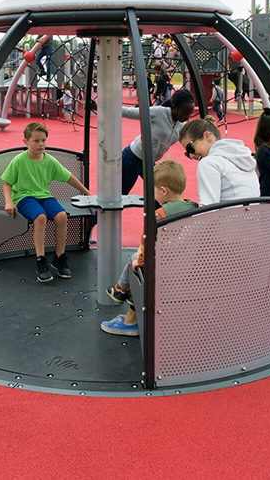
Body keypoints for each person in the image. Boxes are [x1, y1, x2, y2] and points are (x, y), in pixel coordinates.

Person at [101, 159, 198, 336]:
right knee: (139, 264)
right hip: (187, 267)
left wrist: (141, 260)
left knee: (135, 263)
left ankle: (122, 296)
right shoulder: (193, 208)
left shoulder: (159, 214)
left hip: (164, 268)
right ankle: (121, 291)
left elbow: (147, 242)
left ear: (163, 190)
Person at [1, 122, 91, 283]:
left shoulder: (49, 161)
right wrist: (8, 201)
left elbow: (69, 178)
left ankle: (59, 256)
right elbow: (7, 183)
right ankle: (41, 260)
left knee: (62, 216)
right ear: (26, 142)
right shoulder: (19, 160)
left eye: (43, 140)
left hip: (44, 195)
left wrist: (87, 192)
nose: (41, 144)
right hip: (23, 197)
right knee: (40, 217)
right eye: (36, 141)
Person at [120, 88, 195, 196]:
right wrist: (102, 107)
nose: (187, 117)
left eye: (190, 114)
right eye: (184, 113)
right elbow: (131, 112)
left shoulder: (180, 124)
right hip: (133, 158)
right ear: (174, 107)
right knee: (120, 195)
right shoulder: (159, 112)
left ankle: (157, 212)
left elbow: (187, 141)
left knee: (161, 193)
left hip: (149, 161)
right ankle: (97, 213)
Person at [179, 116, 259, 205]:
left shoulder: (209, 163)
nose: (191, 155)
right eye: (187, 153)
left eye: (190, 148)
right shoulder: (243, 157)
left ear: (207, 136)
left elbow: (208, 208)